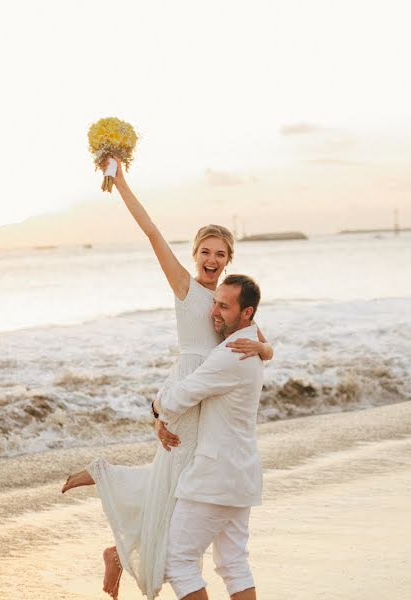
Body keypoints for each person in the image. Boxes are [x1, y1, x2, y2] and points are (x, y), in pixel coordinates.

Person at [61, 159, 272, 599]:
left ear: (229, 260)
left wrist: (266, 349)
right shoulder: (185, 287)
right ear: (194, 255)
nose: (211, 260)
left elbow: (260, 343)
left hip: (208, 396)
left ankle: (119, 550)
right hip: (187, 393)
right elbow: (152, 232)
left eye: (220, 253)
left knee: (177, 489)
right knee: (174, 482)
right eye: (205, 252)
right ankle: (108, 494)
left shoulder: (230, 301)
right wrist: (120, 181)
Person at [154, 274, 264, 600]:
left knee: (178, 560)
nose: (214, 312)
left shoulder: (232, 354)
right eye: (215, 302)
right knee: (233, 563)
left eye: (224, 307)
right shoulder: (252, 348)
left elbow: (183, 395)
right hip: (241, 475)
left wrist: (156, 407)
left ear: (247, 314)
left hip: (214, 477)